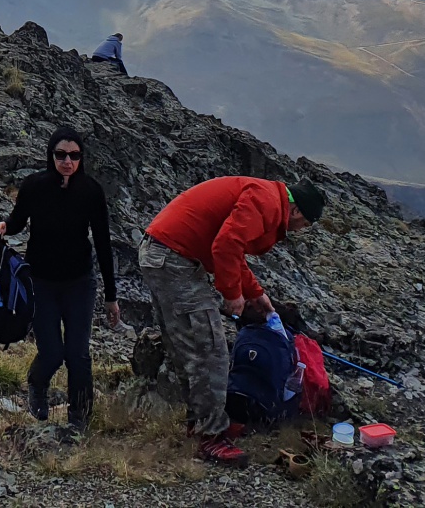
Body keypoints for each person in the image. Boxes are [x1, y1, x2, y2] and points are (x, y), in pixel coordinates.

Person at [137, 176, 327, 466]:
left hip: (161, 254)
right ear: (298, 211)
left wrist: (256, 294)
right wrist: (232, 294)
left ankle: (200, 425)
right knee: (210, 350)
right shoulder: (266, 201)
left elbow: (230, 250)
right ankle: (212, 437)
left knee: (186, 348)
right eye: (304, 225)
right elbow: (226, 246)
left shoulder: (265, 196)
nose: (298, 230)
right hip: (175, 260)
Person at [0, 126, 119, 431]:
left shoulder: (91, 191)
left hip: (79, 283)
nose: (68, 161)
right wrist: (4, 226)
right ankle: (37, 383)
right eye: (61, 155)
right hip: (42, 282)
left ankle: (79, 421)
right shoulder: (35, 186)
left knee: (78, 354)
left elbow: (102, 242)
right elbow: (19, 220)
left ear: (81, 158)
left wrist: (111, 297)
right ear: (51, 155)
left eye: (74, 155)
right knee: (53, 352)